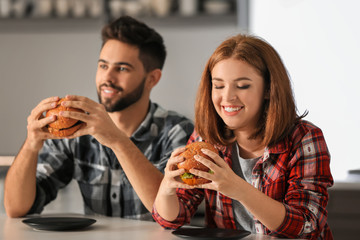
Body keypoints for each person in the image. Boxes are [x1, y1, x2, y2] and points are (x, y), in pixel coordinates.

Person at [4, 16, 194, 220]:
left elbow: (171, 213)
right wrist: (31, 144)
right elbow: (17, 209)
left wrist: (118, 141)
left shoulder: (177, 131)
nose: (107, 78)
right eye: (103, 66)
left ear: (152, 79)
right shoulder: (77, 129)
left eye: (122, 69)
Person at [152, 34, 334, 239]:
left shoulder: (304, 139)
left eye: (242, 86)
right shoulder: (206, 138)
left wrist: (237, 188)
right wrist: (167, 187)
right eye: (219, 85)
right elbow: (171, 220)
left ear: (268, 89)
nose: (227, 97)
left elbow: (306, 224)